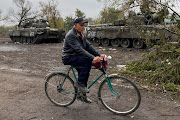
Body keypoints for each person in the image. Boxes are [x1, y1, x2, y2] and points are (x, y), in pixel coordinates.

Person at [62, 18, 105, 103]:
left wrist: (98, 55)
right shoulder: (71, 35)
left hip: (76, 56)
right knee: (87, 61)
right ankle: (79, 84)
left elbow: (88, 46)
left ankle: (81, 96)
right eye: (81, 25)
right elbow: (79, 50)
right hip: (68, 57)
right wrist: (93, 58)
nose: (83, 27)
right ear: (75, 25)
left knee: (84, 74)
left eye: (84, 25)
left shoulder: (81, 34)